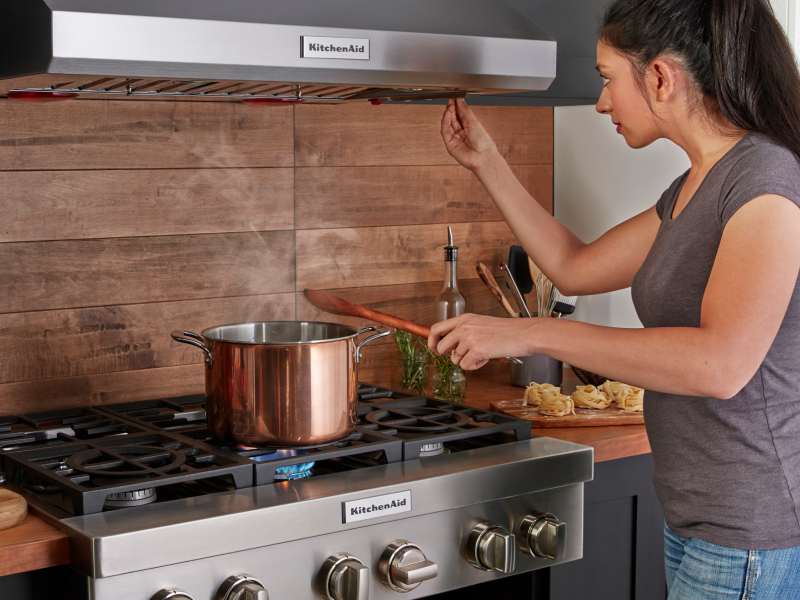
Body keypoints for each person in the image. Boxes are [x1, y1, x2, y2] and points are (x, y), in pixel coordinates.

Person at [427, 0, 800, 597]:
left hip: (751, 532)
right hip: (698, 521)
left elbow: (720, 365)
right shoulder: (697, 186)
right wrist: (486, 162)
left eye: (607, 78)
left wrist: (531, 332)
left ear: (660, 77)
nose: (601, 102)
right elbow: (575, 268)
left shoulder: (766, 183)